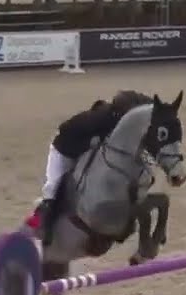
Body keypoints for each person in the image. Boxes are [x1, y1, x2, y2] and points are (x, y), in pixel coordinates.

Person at [36, 92, 152, 244]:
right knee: (52, 189)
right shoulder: (97, 119)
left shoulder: (124, 119)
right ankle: (42, 228)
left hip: (90, 151)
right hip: (64, 149)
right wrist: (91, 142)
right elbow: (64, 130)